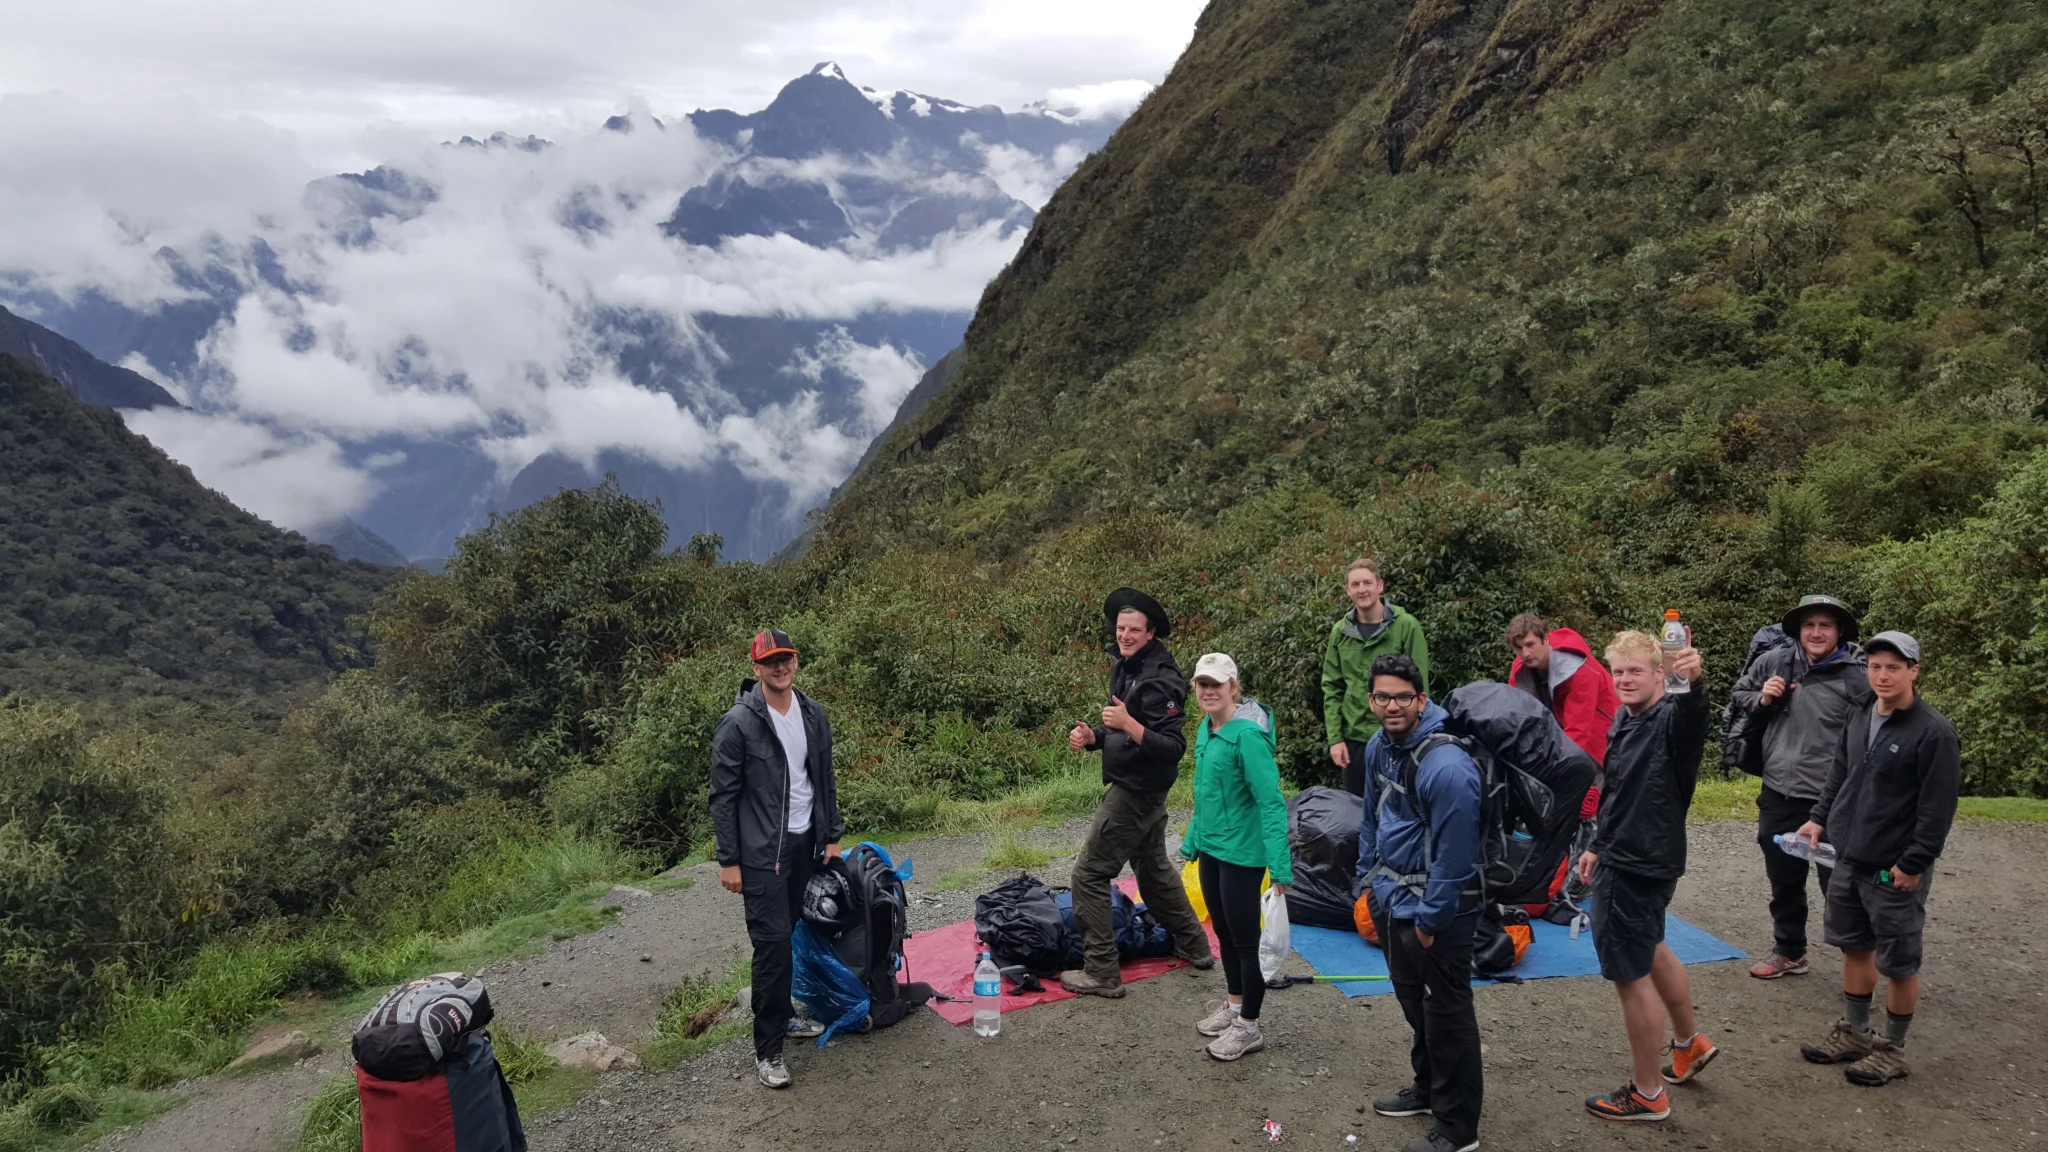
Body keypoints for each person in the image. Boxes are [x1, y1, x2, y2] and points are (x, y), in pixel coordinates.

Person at [1792, 631, 1959, 1087]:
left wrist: (1914, 863)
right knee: (1854, 945)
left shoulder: (1933, 732)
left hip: (1895, 868)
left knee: (1899, 961)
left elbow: (1937, 808)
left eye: (1893, 667)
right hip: (1850, 856)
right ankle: (1856, 1034)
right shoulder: (1861, 712)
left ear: (1914, 671)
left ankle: (1893, 1049)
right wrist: (1819, 818)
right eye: (1875, 666)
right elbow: (1840, 772)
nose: (1882, 675)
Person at [1578, 629, 1720, 1123]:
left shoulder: (1670, 719)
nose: (1624, 680)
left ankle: (1647, 1093)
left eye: (1636, 670)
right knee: (1653, 946)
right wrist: (1597, 844)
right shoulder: (1625, 716)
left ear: (1661, 673)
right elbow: (1616, 788)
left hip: (1639, 863)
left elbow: (1691, 716)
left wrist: (1692, 683)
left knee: (1629, 974)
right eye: (1617, 671)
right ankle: (1688, 1044)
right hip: (1631, 853)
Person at [1356, 654, 1482, 1152]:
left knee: (1448, 1015)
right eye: (1383, 696)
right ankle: (1429, 1089)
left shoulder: (1447, 766)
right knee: (1415, 1002)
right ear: (1371, 701)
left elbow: (1457, 854)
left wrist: (1432, 919)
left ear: (1421, 700)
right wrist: (1365, 882)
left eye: (1403, 696)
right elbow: (1371, 817)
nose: (1392, 705)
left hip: (1439, 910)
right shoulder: (1377, 747)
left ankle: (1458, 1130)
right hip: (1391, 897)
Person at [708, 629, 843, 1090]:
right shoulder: (739, 723)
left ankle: (783, 1017)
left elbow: (823, 779)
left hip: (805, 845)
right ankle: (768, 1051)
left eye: (786, 659)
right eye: (770, 662)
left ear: (796, 662)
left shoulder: (812, 713)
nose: (779, 667)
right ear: (756, 669)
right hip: (763, 855)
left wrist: (830, 836)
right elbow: (722, 798)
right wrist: (729, 861)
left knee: (789, 933)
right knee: (772, 948)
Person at [1062, 588, 1213, 997]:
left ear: (1150, 634)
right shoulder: (1125, 666)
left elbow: (1172, 749)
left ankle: (1101, 973)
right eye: (1121, 627)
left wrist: (1128, 725)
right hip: (1138, 784)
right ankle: (1196, 946)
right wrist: (1092, 736)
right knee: (1152, 869)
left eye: (1134, 630)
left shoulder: (1161, 679)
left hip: (1138, 790)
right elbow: (1120, 727)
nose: (1125, 635)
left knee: (1089, 875)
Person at [1728, 594, 1872, 980]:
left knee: (1839, 886)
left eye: (1825, 625)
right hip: (1778, 790)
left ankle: (1859, 963)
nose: (1816, 632)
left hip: (1832, 800)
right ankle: (1790, 951)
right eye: (1809, 625)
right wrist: (1763, 697)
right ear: (1798, 630)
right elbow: (1739, 694)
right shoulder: (1774, 661)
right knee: (1784, 879)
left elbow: (1876, 730)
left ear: (1840, 631)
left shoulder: (1857, 677)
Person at [1179, 652, 1292, 1062]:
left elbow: (1271, 803)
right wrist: (1193, 839)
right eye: (1202, 684)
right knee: (1223, 934)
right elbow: (1205, 795)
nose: (1208, 691)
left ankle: (1249, 1027)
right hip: (1212, 848)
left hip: (1244, 853)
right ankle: (1233, 1006)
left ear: (1233, 687)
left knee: (1247, 943)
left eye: (1216, 684)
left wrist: (1280, 865)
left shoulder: (1247, 736)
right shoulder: (1206, 730)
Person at [1322, 557, 1432, 797]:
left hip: (1398, 737)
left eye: (1367, 583)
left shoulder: (1406, 626)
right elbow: (1332, 687)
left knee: (1402, 807)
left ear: (1380, 586)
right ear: (1348, 590)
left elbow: (1420, 684)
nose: (1362, 589)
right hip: (1354, 741)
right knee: (1357, 813)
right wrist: (1335, 739)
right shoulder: (1340, 632)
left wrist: (1419, 736)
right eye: (1355, 584)